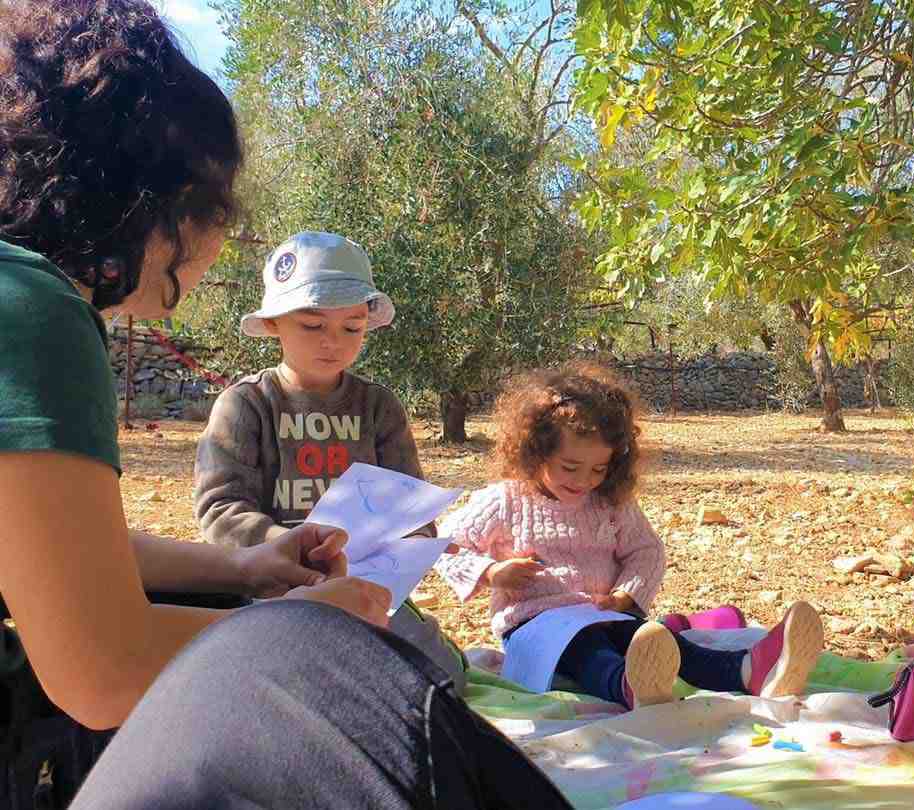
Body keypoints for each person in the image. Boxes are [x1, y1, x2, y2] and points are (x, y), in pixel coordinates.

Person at [0, 2, 571, 807]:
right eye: (219, 204)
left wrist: (248, 566)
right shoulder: (34, 311)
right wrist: (314, 631)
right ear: (166, 193)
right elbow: (104, 668)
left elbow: (49, 546)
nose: (219, 237)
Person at [436, 363, 824, 708]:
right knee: (589, 652)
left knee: (656, 639)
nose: (584, 481)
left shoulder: (609, 503)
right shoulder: (506, 500)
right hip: (536, 626)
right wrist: (490, 573)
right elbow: (443, 545)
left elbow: (646, 552)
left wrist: (628, 595)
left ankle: (748, 669)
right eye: (570, 467)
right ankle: (629, 686)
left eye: (598, 469)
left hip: (600, 612)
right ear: (535, 452)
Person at [194, 231, 466, 685]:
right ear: (275, 323)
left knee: (443, 679)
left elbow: (407, 502)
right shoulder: (246, 405)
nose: (333, 342)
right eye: (313, 325)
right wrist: (286, 548)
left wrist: (419, 541)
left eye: (352, 327)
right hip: (271, 588)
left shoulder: (379, 407)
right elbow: (220, 510)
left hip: (362, 585)